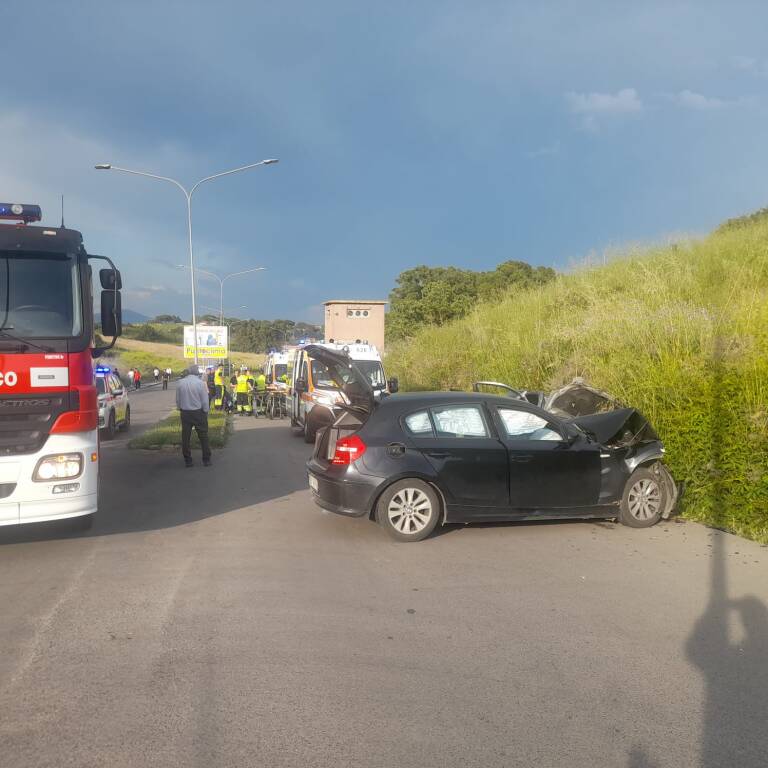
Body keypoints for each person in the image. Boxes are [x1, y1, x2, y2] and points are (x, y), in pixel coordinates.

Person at [175, 365, 212, 468]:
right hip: (198, 412)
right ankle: (206, 459)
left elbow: (178, 399)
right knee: (203, 436)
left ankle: (188, 460)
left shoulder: (180, 383)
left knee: (186, 437)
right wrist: (205, 411)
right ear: (197, 373)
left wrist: (180, 408)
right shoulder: (200, 383)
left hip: (185, 413)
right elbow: (205, 400)